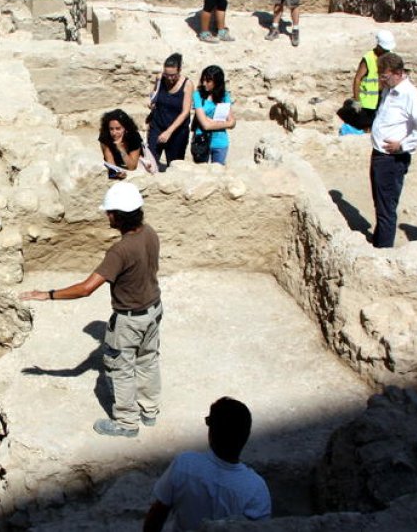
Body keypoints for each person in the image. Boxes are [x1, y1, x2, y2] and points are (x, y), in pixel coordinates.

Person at [20, 182, 161, 438]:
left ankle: (127, 423)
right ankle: (149, 411)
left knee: (120, 369)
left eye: (109, 212)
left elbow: (86, 288)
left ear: (119, 215)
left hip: (130, 319)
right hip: (153, 309)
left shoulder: (120, 250)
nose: (106, 216)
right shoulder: (149, 233)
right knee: (148, 360)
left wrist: (48, 295)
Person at [144, 397, 272, 531]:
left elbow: (157, 515)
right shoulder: (257, 489)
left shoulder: (185, 464)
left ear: (211, 432)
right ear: (246, 436)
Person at [369, 53, 417, 248]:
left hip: (391, 159)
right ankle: (379, 241)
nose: (382, 79)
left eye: (385, 76)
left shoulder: (409, 94)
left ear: (398, 73)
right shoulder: (390, 89)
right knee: (380, 203)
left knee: (386, 208)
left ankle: (384, 251)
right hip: (379, 155)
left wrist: (403, 145)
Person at [146, 53, 193, 172]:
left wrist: (169, 132)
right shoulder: (160, 78)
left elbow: (185, 112)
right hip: (158, 125)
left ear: (180, 70)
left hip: (177, 130)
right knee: (150, 161)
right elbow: (155, 94)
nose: (170, 78)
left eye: (173, 75)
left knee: (174, 165)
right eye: (167, 74)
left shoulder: (187, 84)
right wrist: (152, 102)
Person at [349, 30, 396, 130]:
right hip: (368, 102)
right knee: (368, 127)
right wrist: (357, 100)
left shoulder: (390, 56)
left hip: (383, 98)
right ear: (379, 46)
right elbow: (358, 79)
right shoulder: (368, 58)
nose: (386, 51)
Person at [191, 65, 236, 165]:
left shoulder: (224, 96)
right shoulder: (198, 95)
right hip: (201, 141)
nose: (204, 83)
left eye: (208, 81)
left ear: (217, 82)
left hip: (220, 142)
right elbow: (205, 125)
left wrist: (212, 122)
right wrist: (224, 123)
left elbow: (232, 123)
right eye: (203, 80)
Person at [100, 109, 155, 178]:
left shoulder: (134, 137)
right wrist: (117, 173)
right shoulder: (105, 136)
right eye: (111, 129)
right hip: (119, 166)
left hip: (136, 164)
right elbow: (110, 161)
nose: (114, 133)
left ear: (125, 128)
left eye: (118, 129)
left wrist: (120, 148)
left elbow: (132, 166)